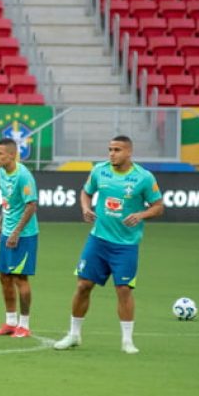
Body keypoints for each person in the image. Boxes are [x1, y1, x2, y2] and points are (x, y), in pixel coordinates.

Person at [54, 136, 163, 354]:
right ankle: (74, 335)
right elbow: (86, 192)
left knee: (123, 290)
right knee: (83, 286)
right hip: (98, 240)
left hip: (126, 244)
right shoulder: (99, 171)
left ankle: (127, 341)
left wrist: (142, 214)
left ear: (129, 152)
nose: (112, 153)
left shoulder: (143, 177)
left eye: (117, 150)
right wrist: (85, 207)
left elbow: (158, 206)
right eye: (110, 149)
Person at [0, 138, 38, 338]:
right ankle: (10, 322)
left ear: (11, 155)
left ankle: (24, 325)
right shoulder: (2, 172)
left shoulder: (23, 176)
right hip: (8, 232)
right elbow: (7, 202)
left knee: (20, 278)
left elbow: (31, 205)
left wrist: (16, 232)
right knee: (4, 276)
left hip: (24, 235)